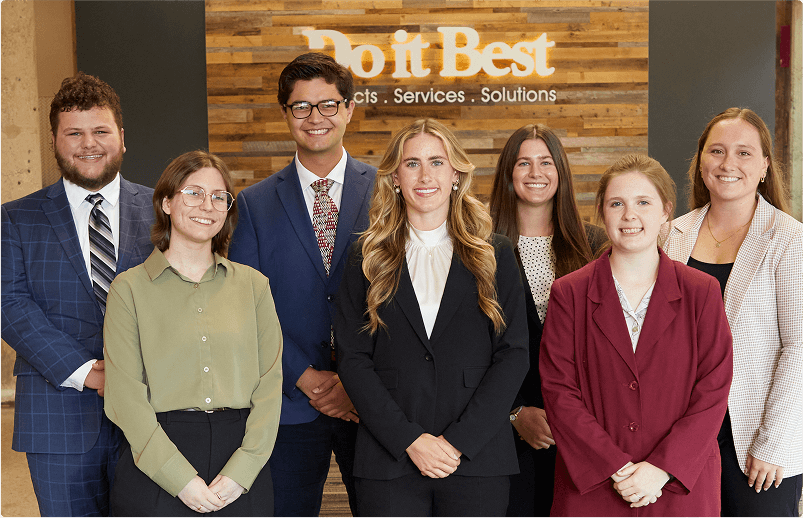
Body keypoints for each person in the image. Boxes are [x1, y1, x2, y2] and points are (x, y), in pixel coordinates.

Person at [335, 118, 529, 517]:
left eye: (437, 162)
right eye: (412, 163)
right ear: (395, 178)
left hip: (477, 459)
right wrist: (409, 440)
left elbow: (514, 355)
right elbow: (353, 360)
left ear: (456, 173)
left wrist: (458, 442)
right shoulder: (364, 257)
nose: (425, 176)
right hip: (390, 460)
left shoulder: (496, 253)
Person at [540, 153, 733, 516]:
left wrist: (661, 468)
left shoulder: (702, 292)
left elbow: (714, 389)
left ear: (665, 212)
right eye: (617, 204)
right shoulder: (569, 293)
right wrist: (615, 466)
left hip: (678, 485)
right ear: (602, 213)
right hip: (594, 486)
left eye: (643, 202)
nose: (629, 215)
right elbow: (558, 390)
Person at [228, 52, 376, 517]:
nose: (316, 117)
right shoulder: (254, 204)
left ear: (349, 109)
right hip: (289, 402)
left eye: (328, 104)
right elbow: (244, 306)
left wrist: (355, 380)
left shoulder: (388, 192)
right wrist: (304, 376)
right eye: (301, 106)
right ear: (285, 114)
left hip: (373, 401)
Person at [0, 72, 154, 517]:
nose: (89, 144)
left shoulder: (162, 211)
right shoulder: (15, 219)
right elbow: (9, 304)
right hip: (57, 416)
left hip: (153, 415)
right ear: (54, 141)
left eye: (101, 131)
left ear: (121, 137)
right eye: (74, 133)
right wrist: (87, 372)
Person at [103, 150, 282, 516]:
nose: (207, 205)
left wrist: (243, 470)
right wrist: (179, 478)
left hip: (240, 460)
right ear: (166, 202)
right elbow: (125, 397)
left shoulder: (254, 286)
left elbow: (270, 386)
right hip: (157, 459)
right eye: (194, 193)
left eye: (219, 196)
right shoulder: (129, 289)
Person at [661, 107, 803, 517]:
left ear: (765, 166)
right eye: (717, 151)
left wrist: (772, 442)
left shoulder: (789, 239)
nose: (728, 163)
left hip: (756, 441)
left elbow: (798, 347)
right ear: (700, 161)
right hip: (681, 435)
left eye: (744, 153)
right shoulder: (671, 234)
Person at [488, 123, 606, 517]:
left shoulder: (595, 245)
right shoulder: (479, 247)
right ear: (508, 172)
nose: (535, 172)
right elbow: (469, 345)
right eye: (524, 163)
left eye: (546, 162)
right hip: (503, 431)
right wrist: (514, 411)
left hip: (581, 430)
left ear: (561, 171)